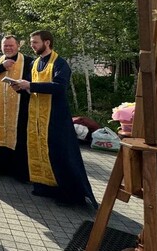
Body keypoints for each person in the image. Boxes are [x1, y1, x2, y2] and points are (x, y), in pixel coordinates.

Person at [12, 31, 97, 207]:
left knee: (60, 154)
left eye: (35, 42)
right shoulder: (35, 63)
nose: (32, 45)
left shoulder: (60, 63)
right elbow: (30, 84)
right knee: (39, 151)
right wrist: (20, 87)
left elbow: (59, 87)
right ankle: (45, 187)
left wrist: (30, 85)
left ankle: (70, 195)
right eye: (31, 42)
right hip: (37, 117)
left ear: (47, 42)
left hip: (55, 117)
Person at [0, 35, 31, 182]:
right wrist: (2, 67)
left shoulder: (27, 61)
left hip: (19, 106)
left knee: (18, 137)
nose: (8, 48)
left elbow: (32, 80)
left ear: (18, 46)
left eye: (11, 45)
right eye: (5, 46)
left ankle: (18, 171)